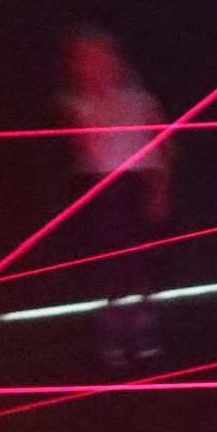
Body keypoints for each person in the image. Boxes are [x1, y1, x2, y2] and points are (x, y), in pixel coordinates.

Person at [59, 25, 172, 369]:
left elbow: (162, 143)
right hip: (101, 187)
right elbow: (85, 149)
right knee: (108, 264)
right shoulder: (76, 103)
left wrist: (159, 187)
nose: (94, 65)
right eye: (85, 59)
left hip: (136, 183)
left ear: (114, 59)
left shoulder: (140, 99)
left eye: (99, 57)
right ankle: (113, 328)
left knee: (142, 260)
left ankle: (143, 325)